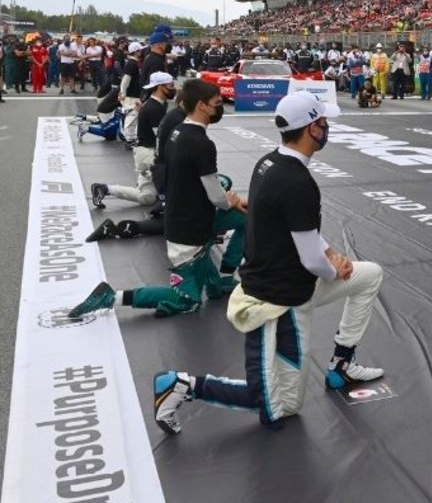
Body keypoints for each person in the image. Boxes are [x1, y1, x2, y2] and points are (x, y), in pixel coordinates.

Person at [151, 91, 386, 434]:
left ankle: (341, 364)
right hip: (281, 301)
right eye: (322, 122)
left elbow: (299, 233)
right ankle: (182, 385)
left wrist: (332, 253)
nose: (326, 127)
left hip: (292, 285)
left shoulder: (270, 162)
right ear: (312, 129)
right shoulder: (297, 181)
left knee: (370, 275)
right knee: (281, 407)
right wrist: (334, 267)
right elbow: (310, 259)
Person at [68, 79, 247, 319]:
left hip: (189, 218)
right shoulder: (201, 143)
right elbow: (216, 197)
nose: (220, 107)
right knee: (186, 300)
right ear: (202, 106)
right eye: (217, 104)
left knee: (245, 220)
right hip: (189, 230)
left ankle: (222, 281)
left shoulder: (178, 130)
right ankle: (113, 296)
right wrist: (230, 201)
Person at [91, 72, 175, 208]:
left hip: (145, 152)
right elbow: (159, 137)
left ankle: (105, 189)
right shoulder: (154, 108)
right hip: (149, 154)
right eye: (171, 85)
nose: (173, 88)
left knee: (147, 197)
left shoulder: (154, 104)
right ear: (160, 87)